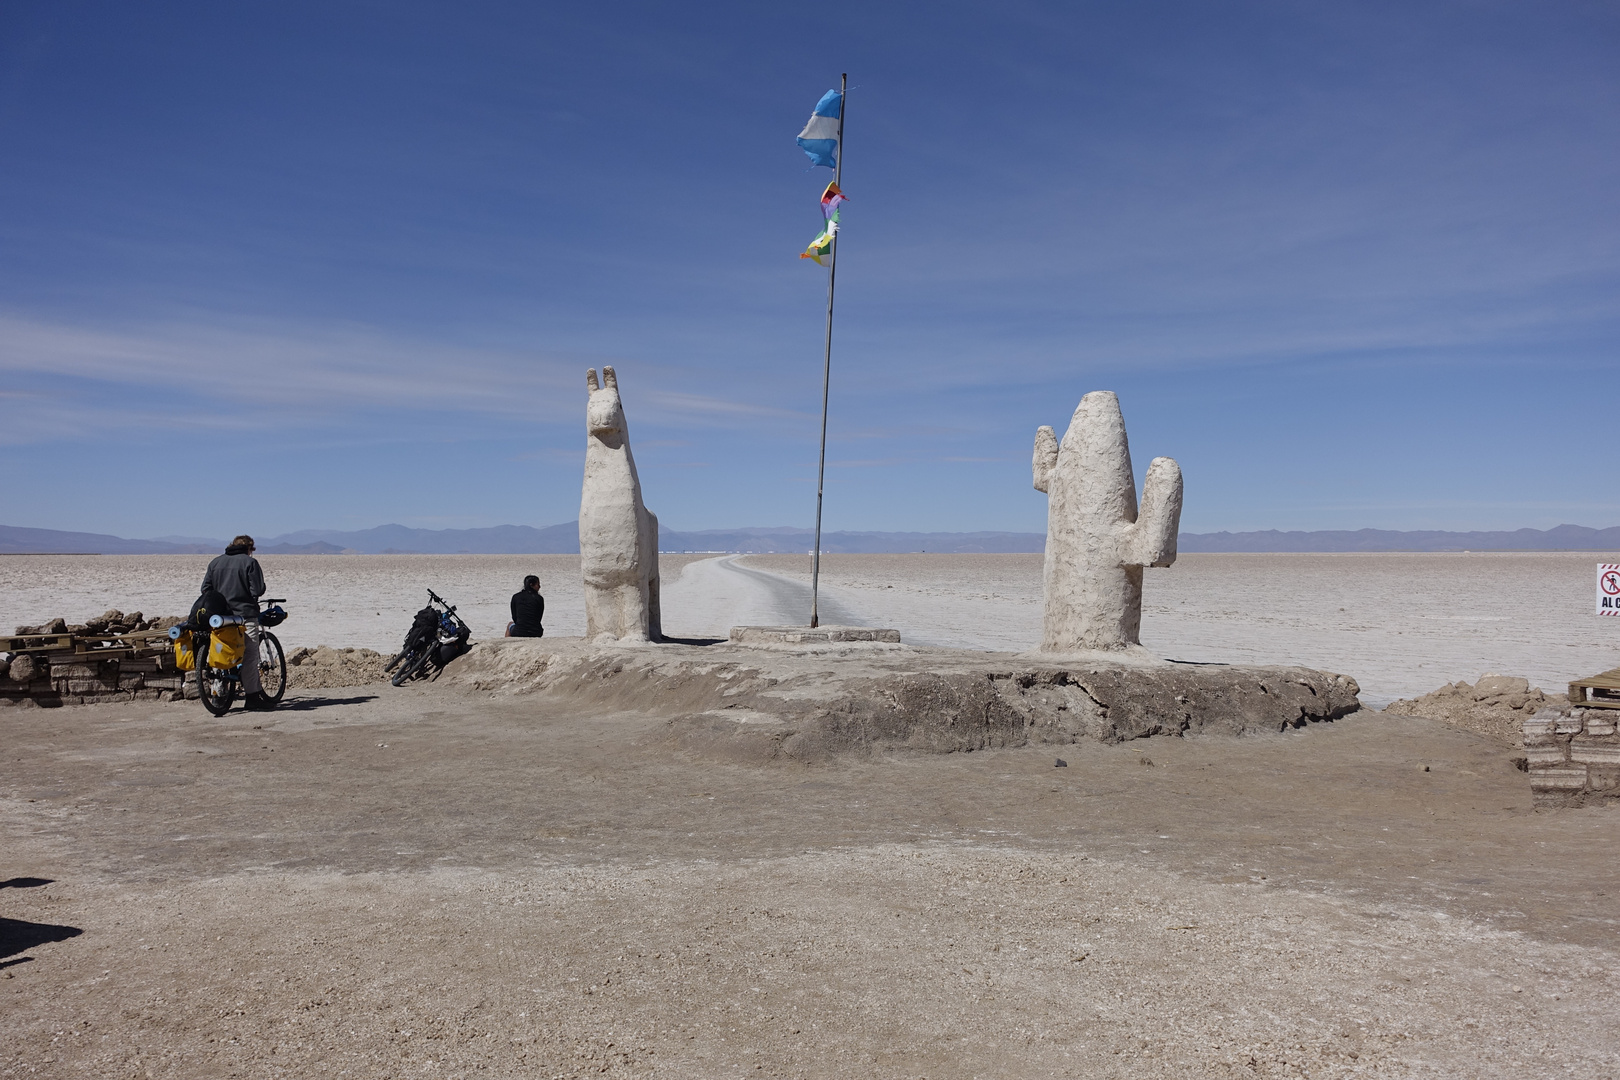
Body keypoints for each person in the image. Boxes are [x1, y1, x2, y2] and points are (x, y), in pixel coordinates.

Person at [201, 534, 273, 710]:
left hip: (220, 618)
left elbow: (205, 589)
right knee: (249, 655)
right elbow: (258, 589)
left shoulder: (215, 562)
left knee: (220, 653)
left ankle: (217, 694)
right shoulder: (250, 563)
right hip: (245, 615)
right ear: (249, 548)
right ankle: (252, 698)